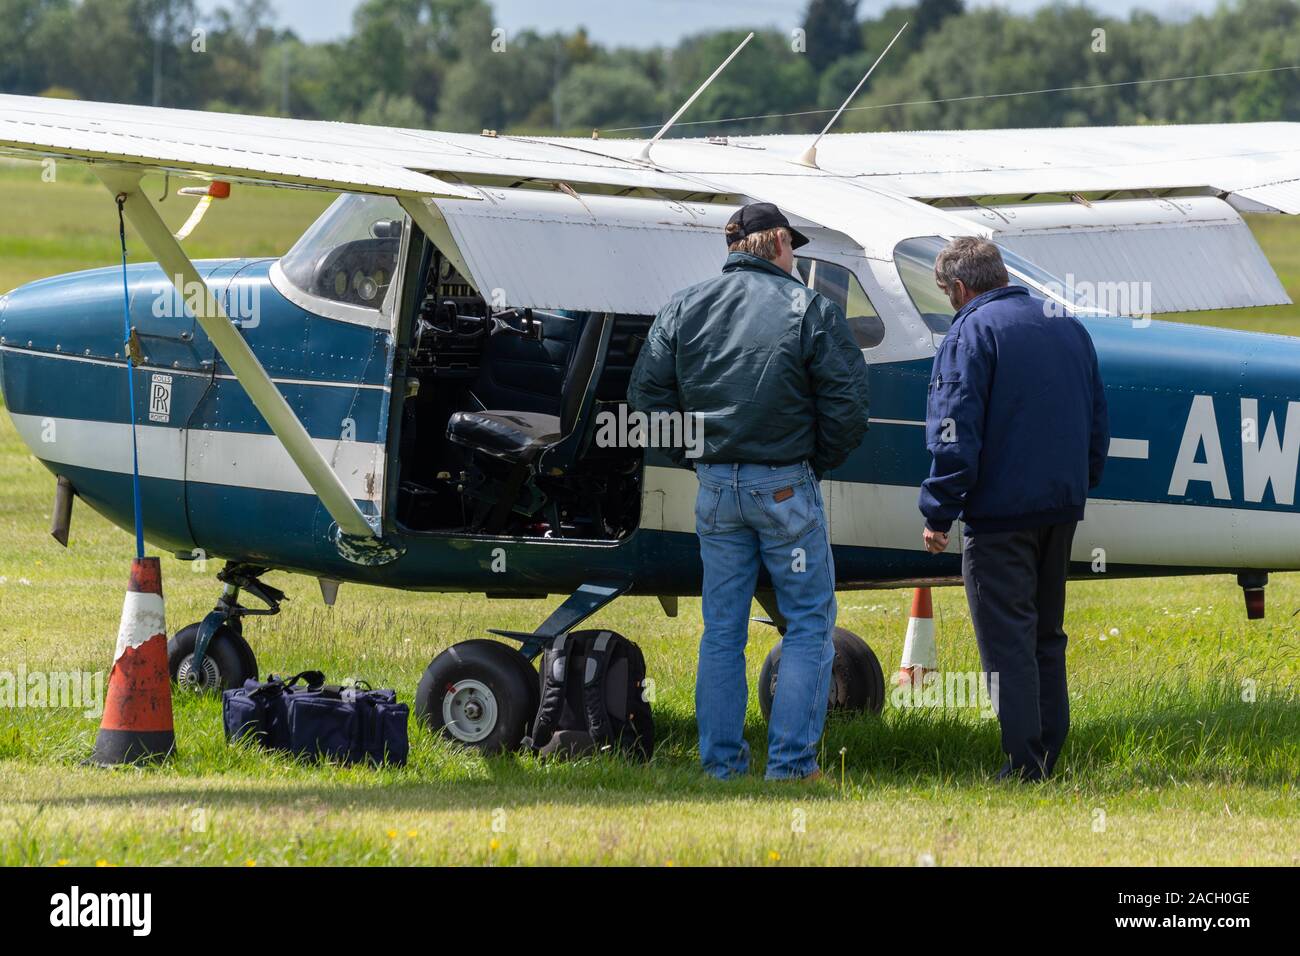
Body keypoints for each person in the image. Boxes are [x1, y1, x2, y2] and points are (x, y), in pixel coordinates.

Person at [627, 202, 870, 781]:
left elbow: (646, 403)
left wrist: (697, 456)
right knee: (810, 623)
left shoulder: (684, 305)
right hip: (785, 487)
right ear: (781, 244)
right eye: (796, 249)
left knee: (723, 630)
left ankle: (721, 767)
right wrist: (812, 463)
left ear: (734, 246)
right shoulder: (809, 307)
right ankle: (791, 765)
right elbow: (848, 406)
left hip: (716, 488)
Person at [919, 237, 1109, 781]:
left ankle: (1025, 764)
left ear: (959, 288)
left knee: (1008, 644)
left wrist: (939, 510)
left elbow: (954, 431)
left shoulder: (970, 332)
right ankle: (1049, 753)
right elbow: (1097, 418)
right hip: (1059, 508)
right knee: (1047, 636)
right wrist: (1078, 484)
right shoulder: (1067, 325)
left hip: (1000, 519)